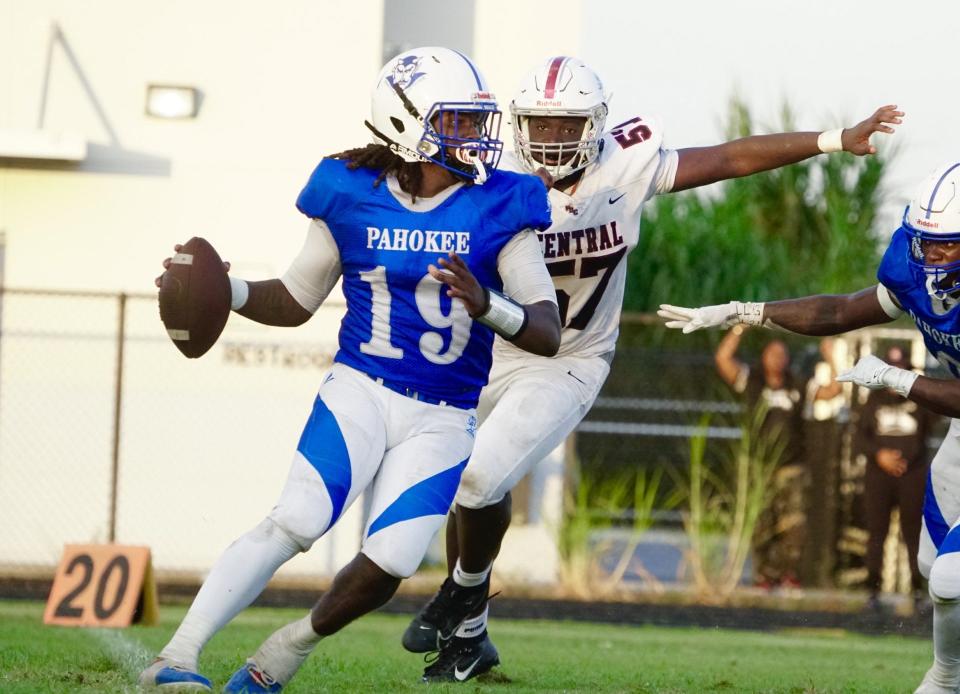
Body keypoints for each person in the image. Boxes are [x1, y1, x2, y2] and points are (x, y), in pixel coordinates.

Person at [402, 54, 901, 682]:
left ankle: (463, 593)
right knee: (468, 484)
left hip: (570, 358)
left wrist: (831, 140)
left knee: (477, 481)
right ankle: (469, 633)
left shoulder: (625, 164)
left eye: (567, 125)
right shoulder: (488, 172)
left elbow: (727, 158)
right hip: (489, 348)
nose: (552, 139)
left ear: (597, 124)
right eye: (540, 123)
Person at [138, 46, 562, 692]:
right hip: (360, 388)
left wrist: (488, 306)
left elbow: (547, 331)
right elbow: (298, 297)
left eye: (474, 121)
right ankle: (177, 656)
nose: (473, 136)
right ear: (405, 124)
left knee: (390, 559)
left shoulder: (504, 205)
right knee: (298, 518)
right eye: (454, 121)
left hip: (444, 416)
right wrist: (233, 292)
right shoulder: (349, 190)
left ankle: (281, 655)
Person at [658, 161, 960, 694]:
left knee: (951, 575)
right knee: (934, 564)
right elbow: (840, 310)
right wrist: (741, 311)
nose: (930, 258)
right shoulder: (914, 272)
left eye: (947, 247)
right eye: (925, 243)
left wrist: (897, 378)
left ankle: (945, 678)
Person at [714, 327, 807, 589]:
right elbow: (723, 359)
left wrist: (832, 356)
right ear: (763, 356)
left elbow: (830, 390)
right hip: (760, 465)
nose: (778, 358)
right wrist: (739, 327)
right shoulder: (751, 380)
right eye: (772, 353)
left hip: (791, 466)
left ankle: (788, 575)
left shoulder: (796, 384)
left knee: (794, 525)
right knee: (761, 523)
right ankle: (764, 575)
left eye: (782, 354)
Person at [857, 344, 936, 611]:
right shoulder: (873, 399)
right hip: (878, 476)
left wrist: (903, 460)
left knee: (913, 532)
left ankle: (917, 590)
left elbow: (926, 433)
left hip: (910, 474)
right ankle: (872, 591)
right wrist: (880, 455)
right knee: (876, 530)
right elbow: (860, 436)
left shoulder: (919, 399)